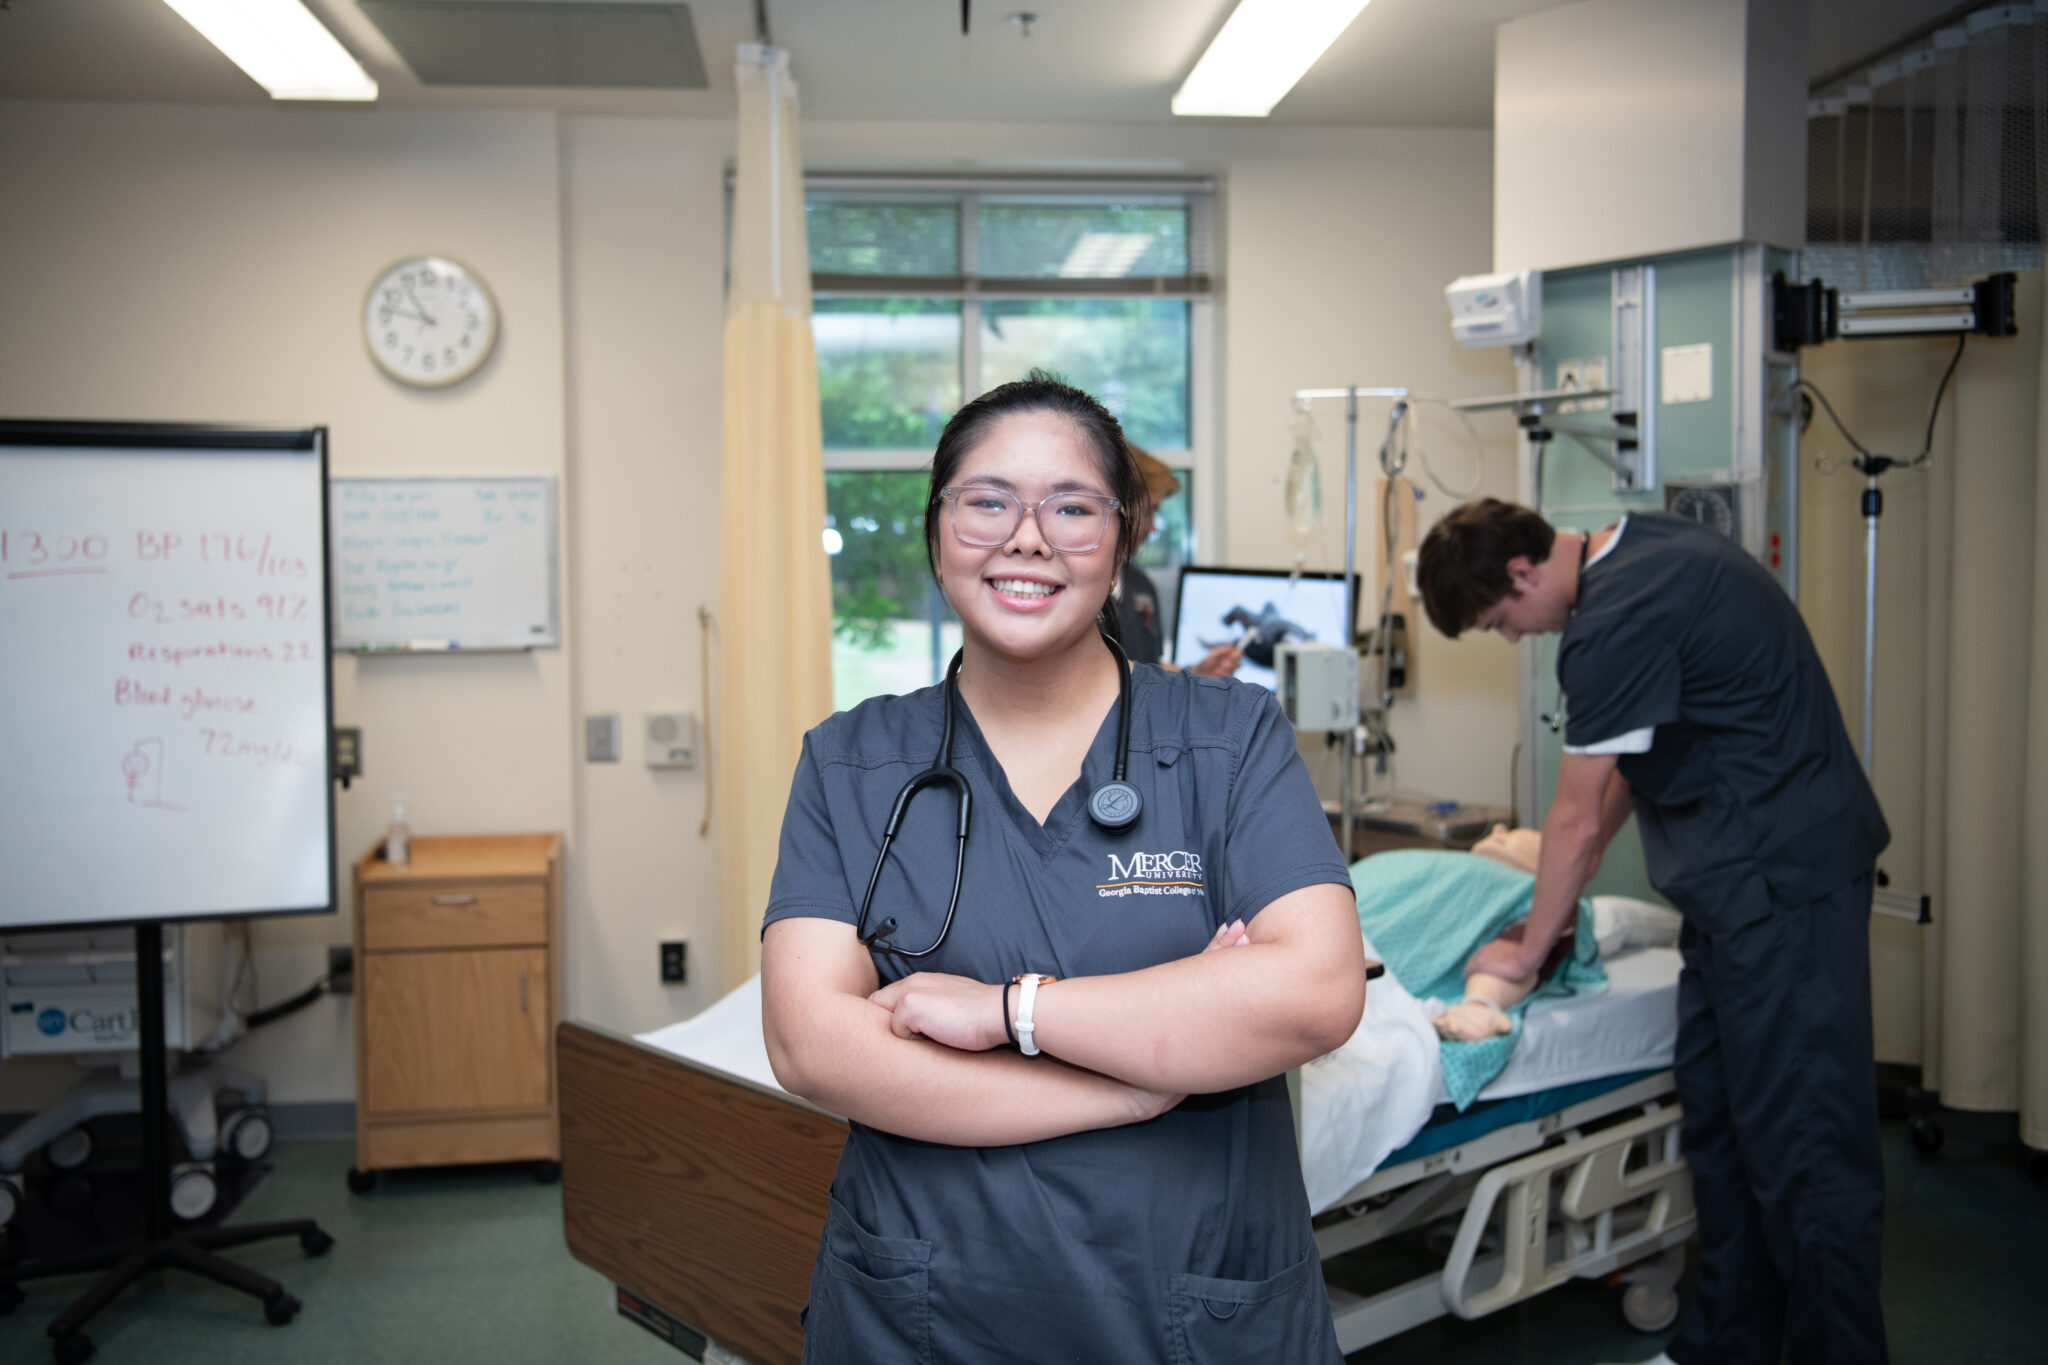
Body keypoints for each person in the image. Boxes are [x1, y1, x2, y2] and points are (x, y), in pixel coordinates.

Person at [760, 373, 1368, 1365]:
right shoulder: (851, 762)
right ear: (935, 529)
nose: (1026, 538)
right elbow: (810, 1045)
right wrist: (1129, 1086)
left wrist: (1009, 1015)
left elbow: (1312, 994)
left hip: (1189, 1296)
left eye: (1071, 507)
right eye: (986, 501)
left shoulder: (1227, 738)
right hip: (928, 1309)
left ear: (1121, 539)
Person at [1415, 498, 1891, 1365]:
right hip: (1732, 897)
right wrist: (1561, 894)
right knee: (1720, 1118)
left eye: (1501, 620)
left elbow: (1575, 816)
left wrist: (1529, 948)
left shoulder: (1613, 623)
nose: (1514, 638)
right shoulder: (1649, 545)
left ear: (1522, 574)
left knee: (1805, 1146)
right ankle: (1730, 1344)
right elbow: (1630, 767)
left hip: (1781, 887)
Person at [1118, 444, 1243, 676]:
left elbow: (1147, 670)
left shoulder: (1140, 585)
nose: (1153, 526)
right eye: (1150, 510)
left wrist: (1196, 675)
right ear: (1120, 505)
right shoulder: (1086, 590)